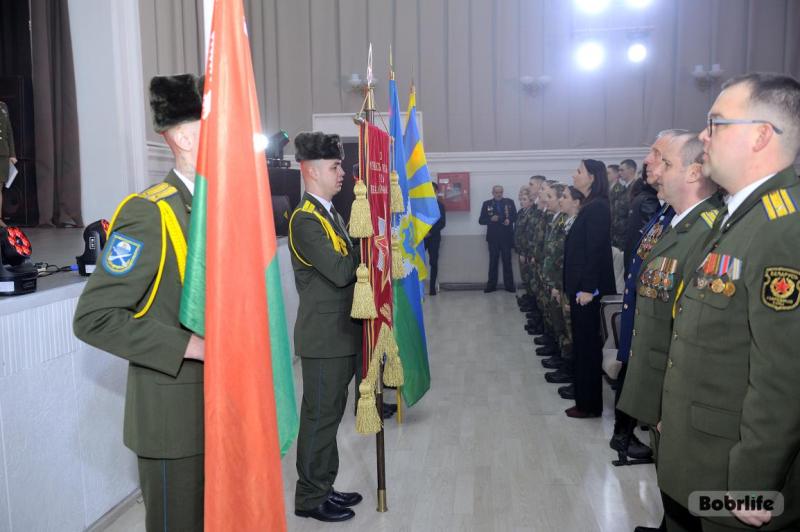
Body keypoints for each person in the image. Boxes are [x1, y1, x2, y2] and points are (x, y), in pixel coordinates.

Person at [658, 72, 800, 531]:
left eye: (716, 123)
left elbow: (784, 377)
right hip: (701, 454)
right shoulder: (739, 217)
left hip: (738, 482)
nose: (703, 136)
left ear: (761, 136)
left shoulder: (783, 227)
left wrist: (754, 481)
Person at [73, 74, 206, 531]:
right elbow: (94, 318)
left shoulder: (216, 209)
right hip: (174, 421)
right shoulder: (150, 212)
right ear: (184, 137)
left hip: (222, 409)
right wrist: (192, 345)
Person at [616, 131, 721, 532]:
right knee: (670, 480)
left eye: (661, 157)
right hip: (658, 380)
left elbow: (697, 329)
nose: (648, 161)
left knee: (686, 492)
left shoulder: (707, 230)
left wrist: (673, 406)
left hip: (678, 388)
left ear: (693, 172)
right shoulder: (670, 221)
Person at [289, 131, 364, 523]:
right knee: (319, 418)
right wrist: (366, 246)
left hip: (339, 334)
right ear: (311, 170)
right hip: (324, 338)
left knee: (330, 417)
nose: (342, 174)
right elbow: (339, 271)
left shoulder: (329, 213)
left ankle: (323, 484)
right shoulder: (305, 220)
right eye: (335, 167)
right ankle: (309, 497)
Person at [562, 159, 615, 418]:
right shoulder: (591, 205)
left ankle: (590, 404)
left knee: (587, 347)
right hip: (581, 289)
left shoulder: (598, 207)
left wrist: (587, 288)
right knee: (582, 346)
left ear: (592, 177)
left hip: (587, 292)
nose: (574, 175)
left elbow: (594, 251)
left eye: (579, 171)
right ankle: (583, 400)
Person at [478, 184, 517, 292]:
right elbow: (481, 220)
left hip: (506, 238)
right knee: (493, 262)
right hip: (493, 239)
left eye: (500, 192)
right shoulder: (487, 204)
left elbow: (515, 216)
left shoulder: (509, 202)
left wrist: (510, 220)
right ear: (492, 193)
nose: (499, 194)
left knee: (507, 262)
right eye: (496, 192)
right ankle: (491, 286)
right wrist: (491, 219)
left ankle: (509, 286)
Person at [624, 163, 661, 275]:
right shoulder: (649, 200)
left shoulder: (642, 196)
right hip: (641, 263)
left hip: (634, 259)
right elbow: (652, 235)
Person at [425, 182, 446, 295]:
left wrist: (430, 232)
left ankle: (432, 288)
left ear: (436, 192)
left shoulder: (440, 205)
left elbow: (442, 223)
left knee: (433, 262)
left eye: (433, 190)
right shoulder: (420, 204)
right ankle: (417, 288)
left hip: (434, 238)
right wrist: (423, 232)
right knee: (417, 261)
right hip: (421, 237)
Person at [0, 101, 17, 226]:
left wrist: (12, 154)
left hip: (3, 153)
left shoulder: (3, 106)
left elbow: (9, 131)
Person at [608, 163, 630, 250]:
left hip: (618, 232)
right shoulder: (607, 189)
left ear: (616, 175)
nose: (606, 175)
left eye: (608, 173)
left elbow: (618, 212)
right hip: (611, 231)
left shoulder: (620, 189)